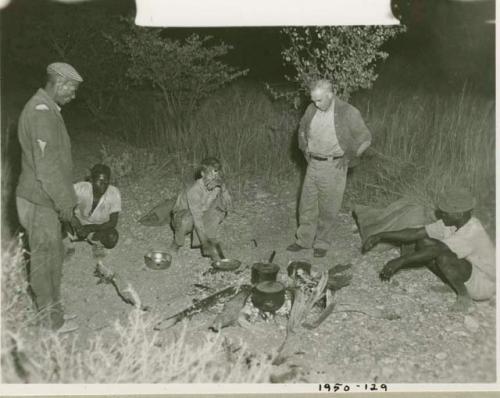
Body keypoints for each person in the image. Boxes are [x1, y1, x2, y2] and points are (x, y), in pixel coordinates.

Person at [16, 62, 83, 333]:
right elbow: (47, 169)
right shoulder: (41, 113)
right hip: (39, 201)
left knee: (54, 257)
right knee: (44, 263)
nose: (74, 95)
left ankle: (56, 315)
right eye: (72, 89)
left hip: (46, 200)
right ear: (60, 83)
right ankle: (49, 323)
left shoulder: (48, 109)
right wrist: (66, 206)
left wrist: (67, 202)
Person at [362, 187, 495, 312]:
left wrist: (400, 261)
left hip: (484, 284)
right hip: (469, 273)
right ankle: (452, 284)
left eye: (444, 212)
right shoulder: (452, 223)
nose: (440, 214)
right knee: (423, 242)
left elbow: (436, 250)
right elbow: (416, 233)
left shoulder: (472, 231)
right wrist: (381, 235)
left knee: (442, 256)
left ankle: (464, 297)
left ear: (458, 213)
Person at [287, 79, 372, 257]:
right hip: (313, 164)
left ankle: (322, 243)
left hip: (334, 165)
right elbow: (302, 127)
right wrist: (304, 145)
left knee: (328, 208)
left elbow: (365, 138)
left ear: (330, 95)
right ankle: (304, 241)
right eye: (313, 100)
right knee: (307, 205)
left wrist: (350, 155)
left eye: (319, 100)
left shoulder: (348, 112)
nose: (315, 104)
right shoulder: (311, 109)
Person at [171, 157, 231, 260]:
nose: (214, 178)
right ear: (203, 174)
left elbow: (227, 207)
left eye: (216, 174)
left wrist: (223, 188)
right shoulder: (194, 190)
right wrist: (204, 243)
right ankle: (176, 244)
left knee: (218, 213)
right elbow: (197, 218)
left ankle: (211, 242)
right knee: (186, 221)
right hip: (183, 215)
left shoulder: (217, 185)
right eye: (211, 174)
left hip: (201, 212)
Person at [67, 164, 121, 257]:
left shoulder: (113, 193)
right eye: (100, 181)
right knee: (55, 220)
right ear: (91, 180)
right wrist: (76, 224)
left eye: (106, 181)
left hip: (97, 227)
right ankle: (70, 239)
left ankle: (93, 240)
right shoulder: (80, 188)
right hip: (76, 223)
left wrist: (90, 228)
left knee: (112, 237)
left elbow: (113, 222)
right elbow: (63, 205)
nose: (104, 185)